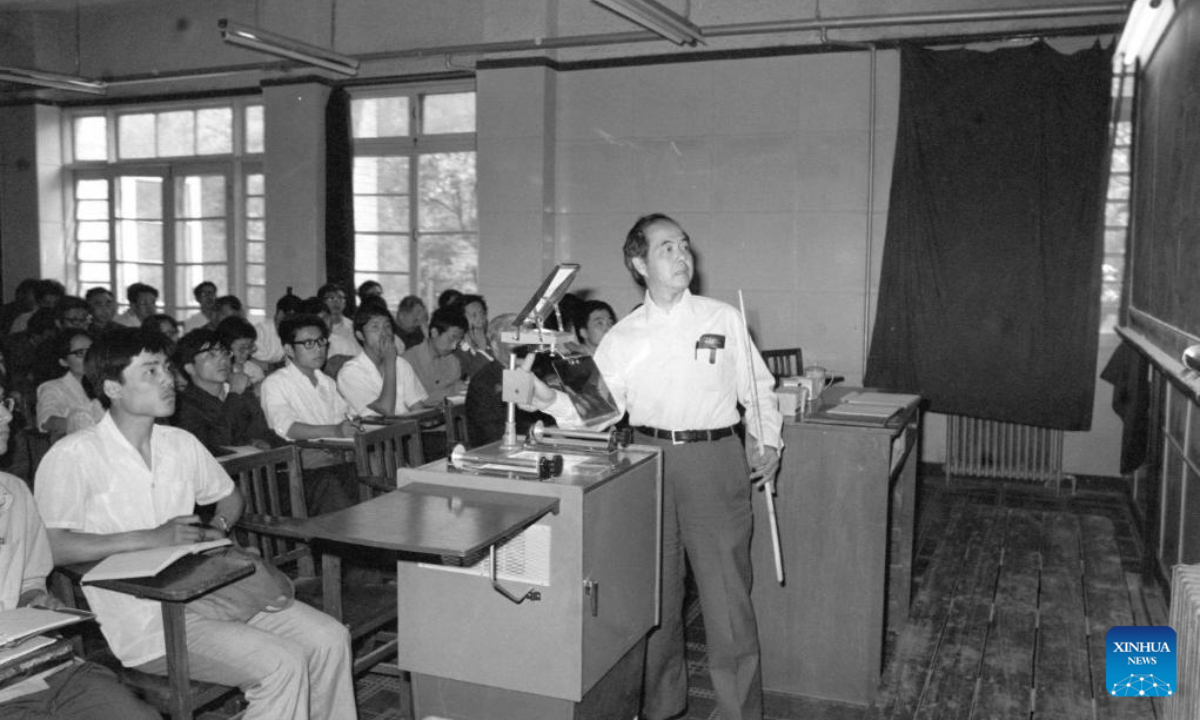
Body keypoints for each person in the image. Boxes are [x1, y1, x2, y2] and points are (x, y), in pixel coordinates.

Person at [524, 213, 782, 720]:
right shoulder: (623, 336)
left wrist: (766, 438)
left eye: (684, 245)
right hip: (649, 464)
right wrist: (543, 397)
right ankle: (663, 709)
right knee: (656, 601)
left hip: (714, 462)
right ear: (639, 264)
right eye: (667, 248)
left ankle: (739, 713)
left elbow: (761, 390)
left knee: (728, 603)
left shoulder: (722, 317)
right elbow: (596, 412)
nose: (682, 255)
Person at [33, 327, 358, 720]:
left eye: (166, 368)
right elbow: (52, 545)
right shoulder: (74, 455)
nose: (168, 379)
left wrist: (216, 530)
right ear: (113, 388)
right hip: (149, 619)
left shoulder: (179, 443)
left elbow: (229, 497)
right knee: (282, 663)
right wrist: (150, 539)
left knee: (330, 638)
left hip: (215, 590)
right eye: (150, 371)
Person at [0, 402, 160, 720]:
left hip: (39, 665)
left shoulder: (14, 492)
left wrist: (37, 600)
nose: (7, 416)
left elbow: (29, 581)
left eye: (4, 402)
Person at [259, 314, 358, 515]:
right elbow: (287, 428)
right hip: (299, 467)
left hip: (335, 458)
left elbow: (345, 417)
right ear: (288, 350)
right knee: (332, 485)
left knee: (372, 469)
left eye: (321, 342)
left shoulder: (327, 382)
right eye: (309, 343)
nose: (319, 349)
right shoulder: (276, 383)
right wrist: (336, 431)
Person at [172, 328, 276, 454]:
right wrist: (234, 394)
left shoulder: (242, 393)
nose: (223, 360)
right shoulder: (183, 406)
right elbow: (214, 446)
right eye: (211, 355)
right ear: (190, 368)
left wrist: (257, 442)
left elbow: (263, 431)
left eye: (225, 353)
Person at [464, 313, 553, 448]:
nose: (524, 344)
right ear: (495, 345)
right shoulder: (484, 382)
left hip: (536, 444)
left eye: (527, 336)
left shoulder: (534, 373)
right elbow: (491, 435)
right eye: (515, 337)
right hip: (497, 450)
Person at [337, 304, 429, 418]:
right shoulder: (350, 373)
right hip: (376, 433)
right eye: (375, 327)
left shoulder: (401, 364)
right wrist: (390, 361)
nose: (384, 333)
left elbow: (416, 406)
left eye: (387, 326)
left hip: (407, 430)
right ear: (360, 335)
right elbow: (386, 411)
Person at [36, 329, 105, 440]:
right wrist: (79, 423)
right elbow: (46, 421)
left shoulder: (109, 381)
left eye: (92, 351)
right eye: (80, 353)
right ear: (63, 361)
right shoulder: (54, 388)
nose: (89, 358)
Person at [401, 306, 467, 405]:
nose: (454, 347)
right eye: (451, 338)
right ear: (434, 332)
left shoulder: (453, 362)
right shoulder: (407, 362)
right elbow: (411, 404)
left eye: (458, 341)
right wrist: (449, 391)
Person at [252, 290, 303, 368]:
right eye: (292, 317)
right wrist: (274, 366)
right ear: (280, 314)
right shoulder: (260, 331)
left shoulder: (296, 334)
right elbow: (250, 360)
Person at [216, 316, 266, 391]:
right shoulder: (216, 372)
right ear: (226, 346)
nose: (247, 352)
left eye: (250, 347)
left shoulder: (254, 370)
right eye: (242, 348)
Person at [452, 294, 493, 381]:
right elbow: (470, 381)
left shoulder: (490, 343)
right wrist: (482, 349)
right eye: (474, 316)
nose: (481, 320)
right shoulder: (454, 351)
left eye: (482, 314)